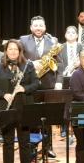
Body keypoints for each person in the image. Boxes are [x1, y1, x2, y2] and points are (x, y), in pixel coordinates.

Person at [0, 39, 39, 163]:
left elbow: (36, 83)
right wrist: (3, 94)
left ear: (20, 51)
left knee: (24, 142)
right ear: (6, 51)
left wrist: (24, 88)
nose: (13, 51)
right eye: (10, 49)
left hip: (24, 107)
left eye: (15, 49)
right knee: (8, 142)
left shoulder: (28, 65)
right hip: (5, 107)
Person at [19, 16, 60, 158]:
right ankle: (31, 146)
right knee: (31, 115)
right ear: (31, 27)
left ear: (45, 27)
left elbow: (59, 63)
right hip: (29, 84)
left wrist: (58, 82)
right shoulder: (23, 40)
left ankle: (48, 146)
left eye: (41, 25)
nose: (38, 28)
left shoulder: (53, 41)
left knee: (48, 116)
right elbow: (17, 58)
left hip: (48, 84)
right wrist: (31, 62)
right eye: (35, 25)